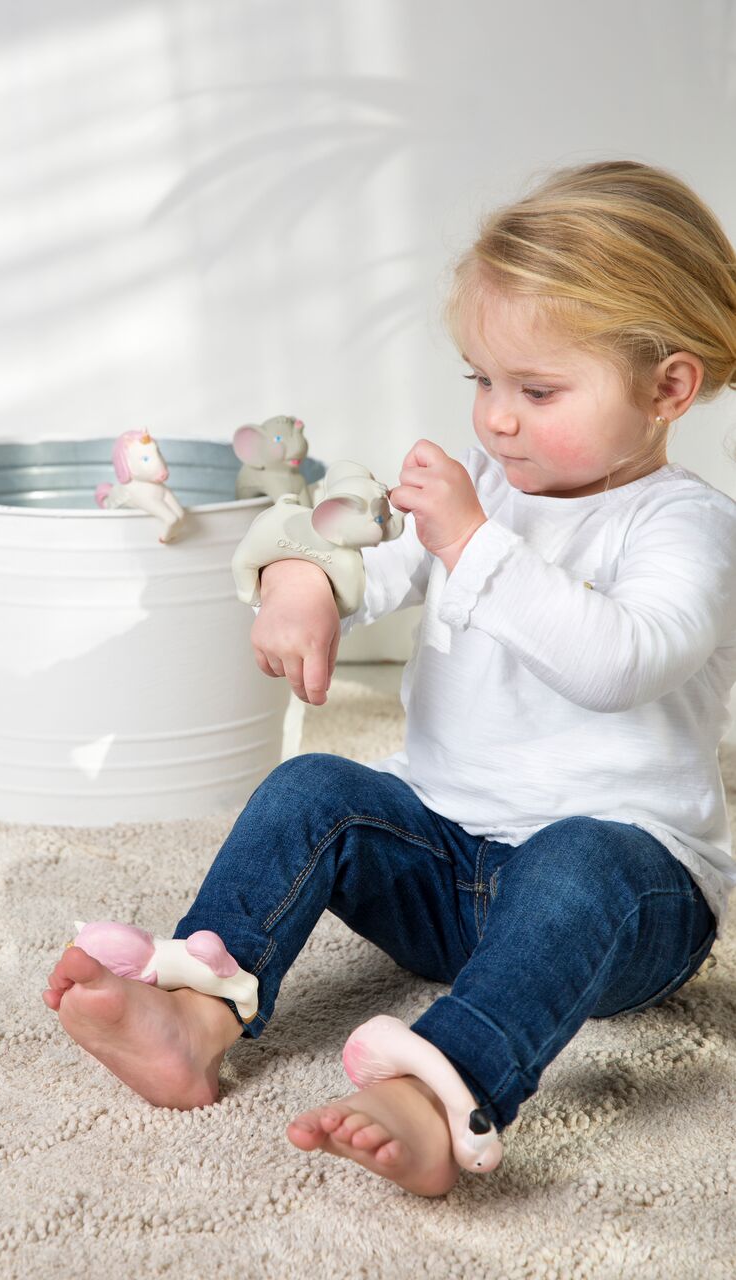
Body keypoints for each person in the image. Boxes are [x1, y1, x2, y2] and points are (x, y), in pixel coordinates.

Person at [42, 160, 736, 1198]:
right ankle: (196, 1010)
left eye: (537, 390)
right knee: (312, 787)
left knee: (578, 859)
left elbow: (616, 662)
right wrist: (303, 586)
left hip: (626, 901)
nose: (496, 419)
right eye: (480, 380)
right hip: (445, 865)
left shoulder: (686, 526)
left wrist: (472, 540)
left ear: (667, 388)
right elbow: (364, 561)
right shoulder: (487, 482)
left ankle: (441, 1088)